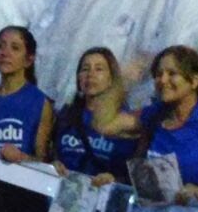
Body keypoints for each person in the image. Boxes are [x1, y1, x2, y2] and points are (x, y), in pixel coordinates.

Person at [127, 46, 198, 209]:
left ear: (194, 80)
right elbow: (107, 125)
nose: (163, 80)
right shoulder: (153, 116)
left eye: (172, 73)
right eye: (158, 74)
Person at [50, 48, 137, 186]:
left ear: (111, 78)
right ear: (78, 78)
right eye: (85, 69)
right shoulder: (66, 115)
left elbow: (133, 176)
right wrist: (53, 164)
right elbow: (51, 152)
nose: (91, 75)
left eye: (99, 69)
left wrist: (114, 179)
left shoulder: (125, 121)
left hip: (102, 194)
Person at [0, 26, 54, 163]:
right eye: (1, 46)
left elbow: (43, 161)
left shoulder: (40, 102)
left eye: (15, 48)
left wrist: (21, 157)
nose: (5, 53)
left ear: (28, 60)